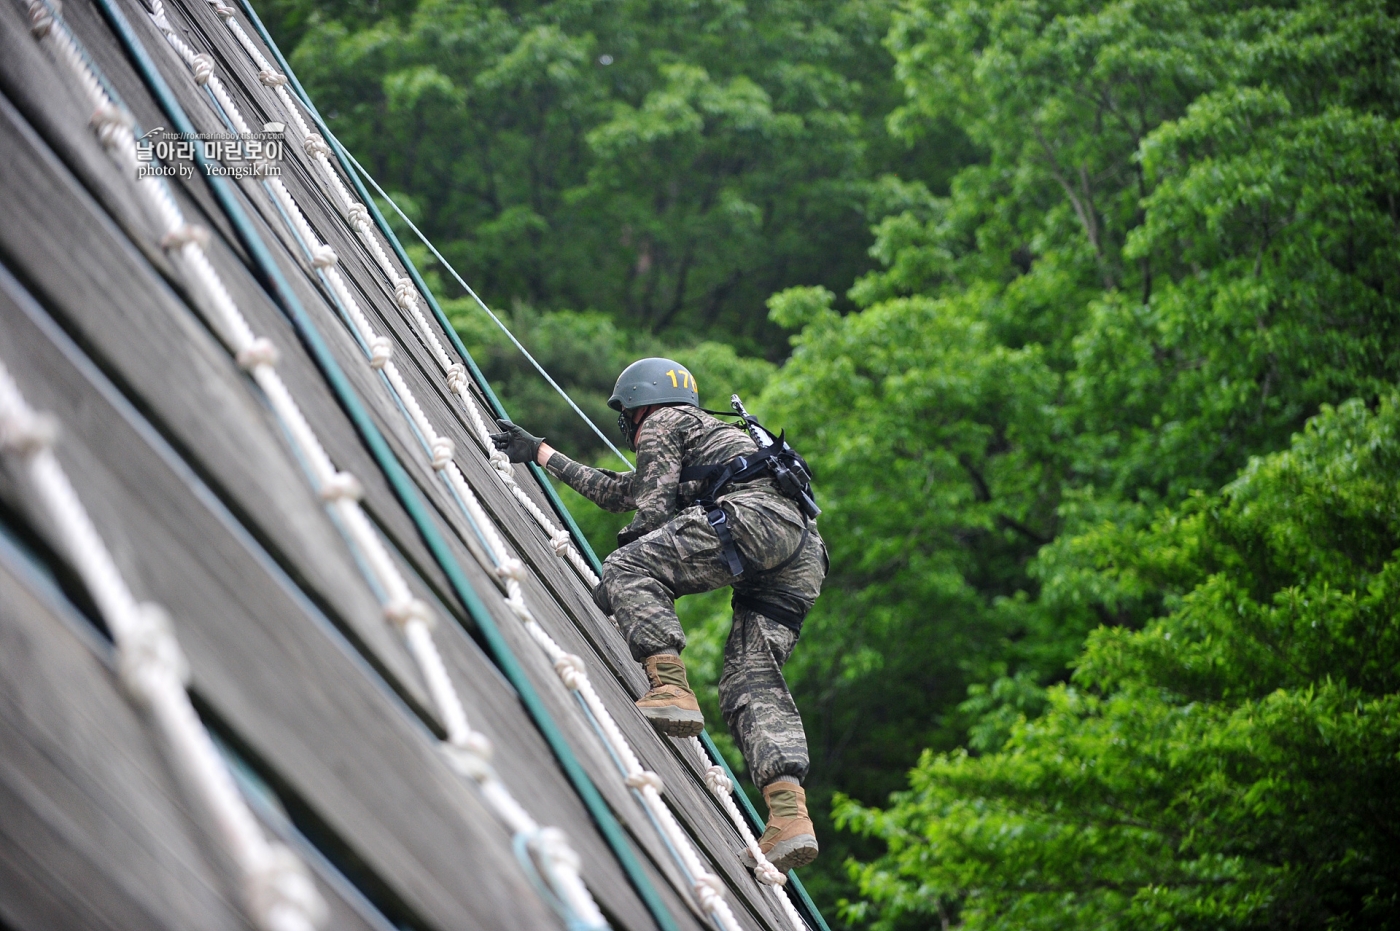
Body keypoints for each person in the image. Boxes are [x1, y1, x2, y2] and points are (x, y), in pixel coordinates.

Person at [490, 357, 827, 872]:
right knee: (751, 677)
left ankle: (669, 685)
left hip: (755, 518)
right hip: (802, 549)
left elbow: (650, 512)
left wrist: (619, 580)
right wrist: (539, 452)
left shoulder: (663, 421)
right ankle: (788, 815)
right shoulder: (707, 435)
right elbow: (622, 491)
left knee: (629, 563)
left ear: (636, 405)